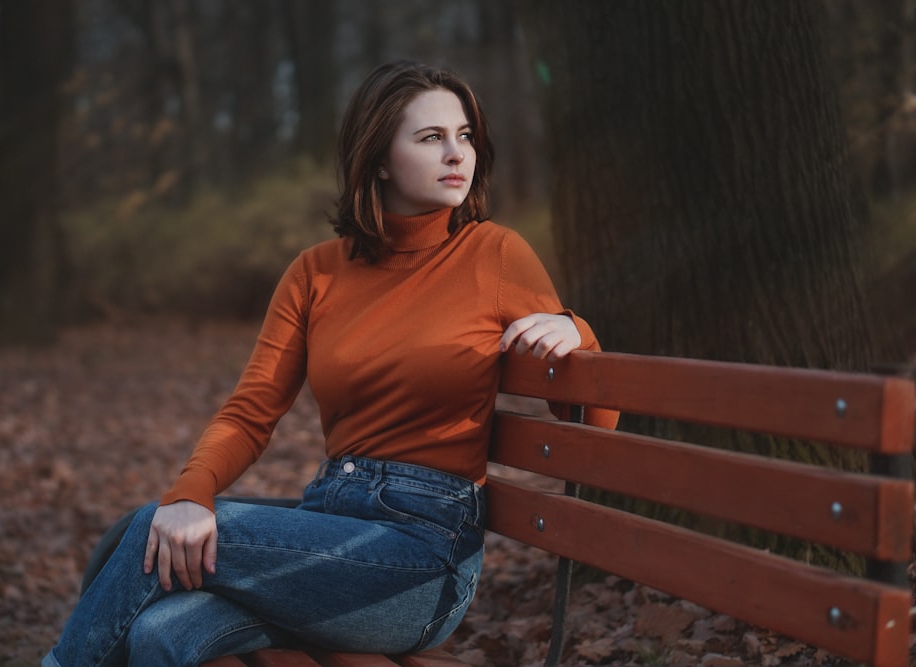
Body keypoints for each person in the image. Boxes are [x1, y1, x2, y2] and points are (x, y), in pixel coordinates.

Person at [43, 60, 618, 667]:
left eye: (465, 135)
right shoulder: (315, 272)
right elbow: (250, 410)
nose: (457, 153)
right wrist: (194, 488)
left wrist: (573, 331)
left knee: (145, 532)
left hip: (420, 563)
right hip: (328, 525)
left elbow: (593, 422)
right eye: (431, 138)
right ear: (377, 159)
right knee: (160, 633)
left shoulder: (496, 253)